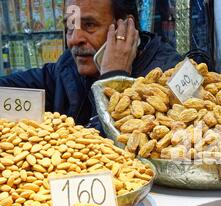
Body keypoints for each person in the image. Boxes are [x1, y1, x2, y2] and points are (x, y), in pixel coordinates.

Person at [0, 0, 181, 130]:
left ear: (126, 27)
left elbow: (123, 152)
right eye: (70, 27)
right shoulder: (66, 68)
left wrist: (113, 79)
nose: (74, 39)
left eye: (89, 25)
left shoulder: (169, 77)